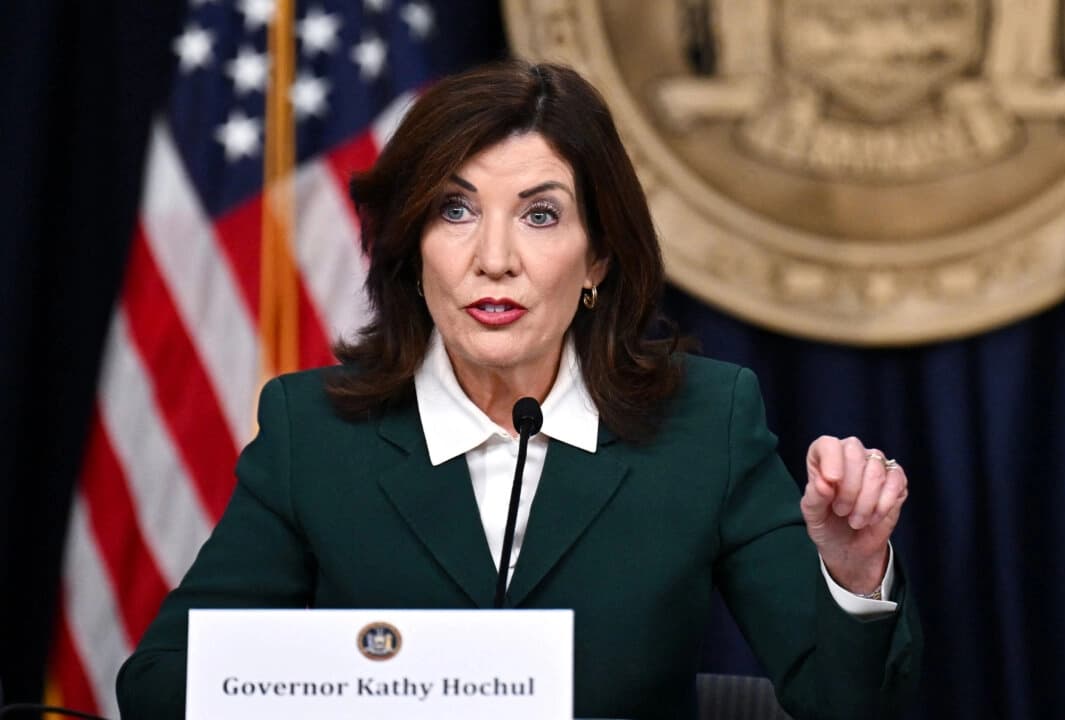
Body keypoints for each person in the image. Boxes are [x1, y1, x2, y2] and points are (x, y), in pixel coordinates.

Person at [116, 61, 921, 719]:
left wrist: (853, 575)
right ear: (412, 247)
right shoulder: (314, 433)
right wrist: (361, 684)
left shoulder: (705, 424)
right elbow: (159, 685)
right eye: (455, 209)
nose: (493, 257)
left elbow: (849, 707)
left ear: (598, 258)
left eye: (540, 216)